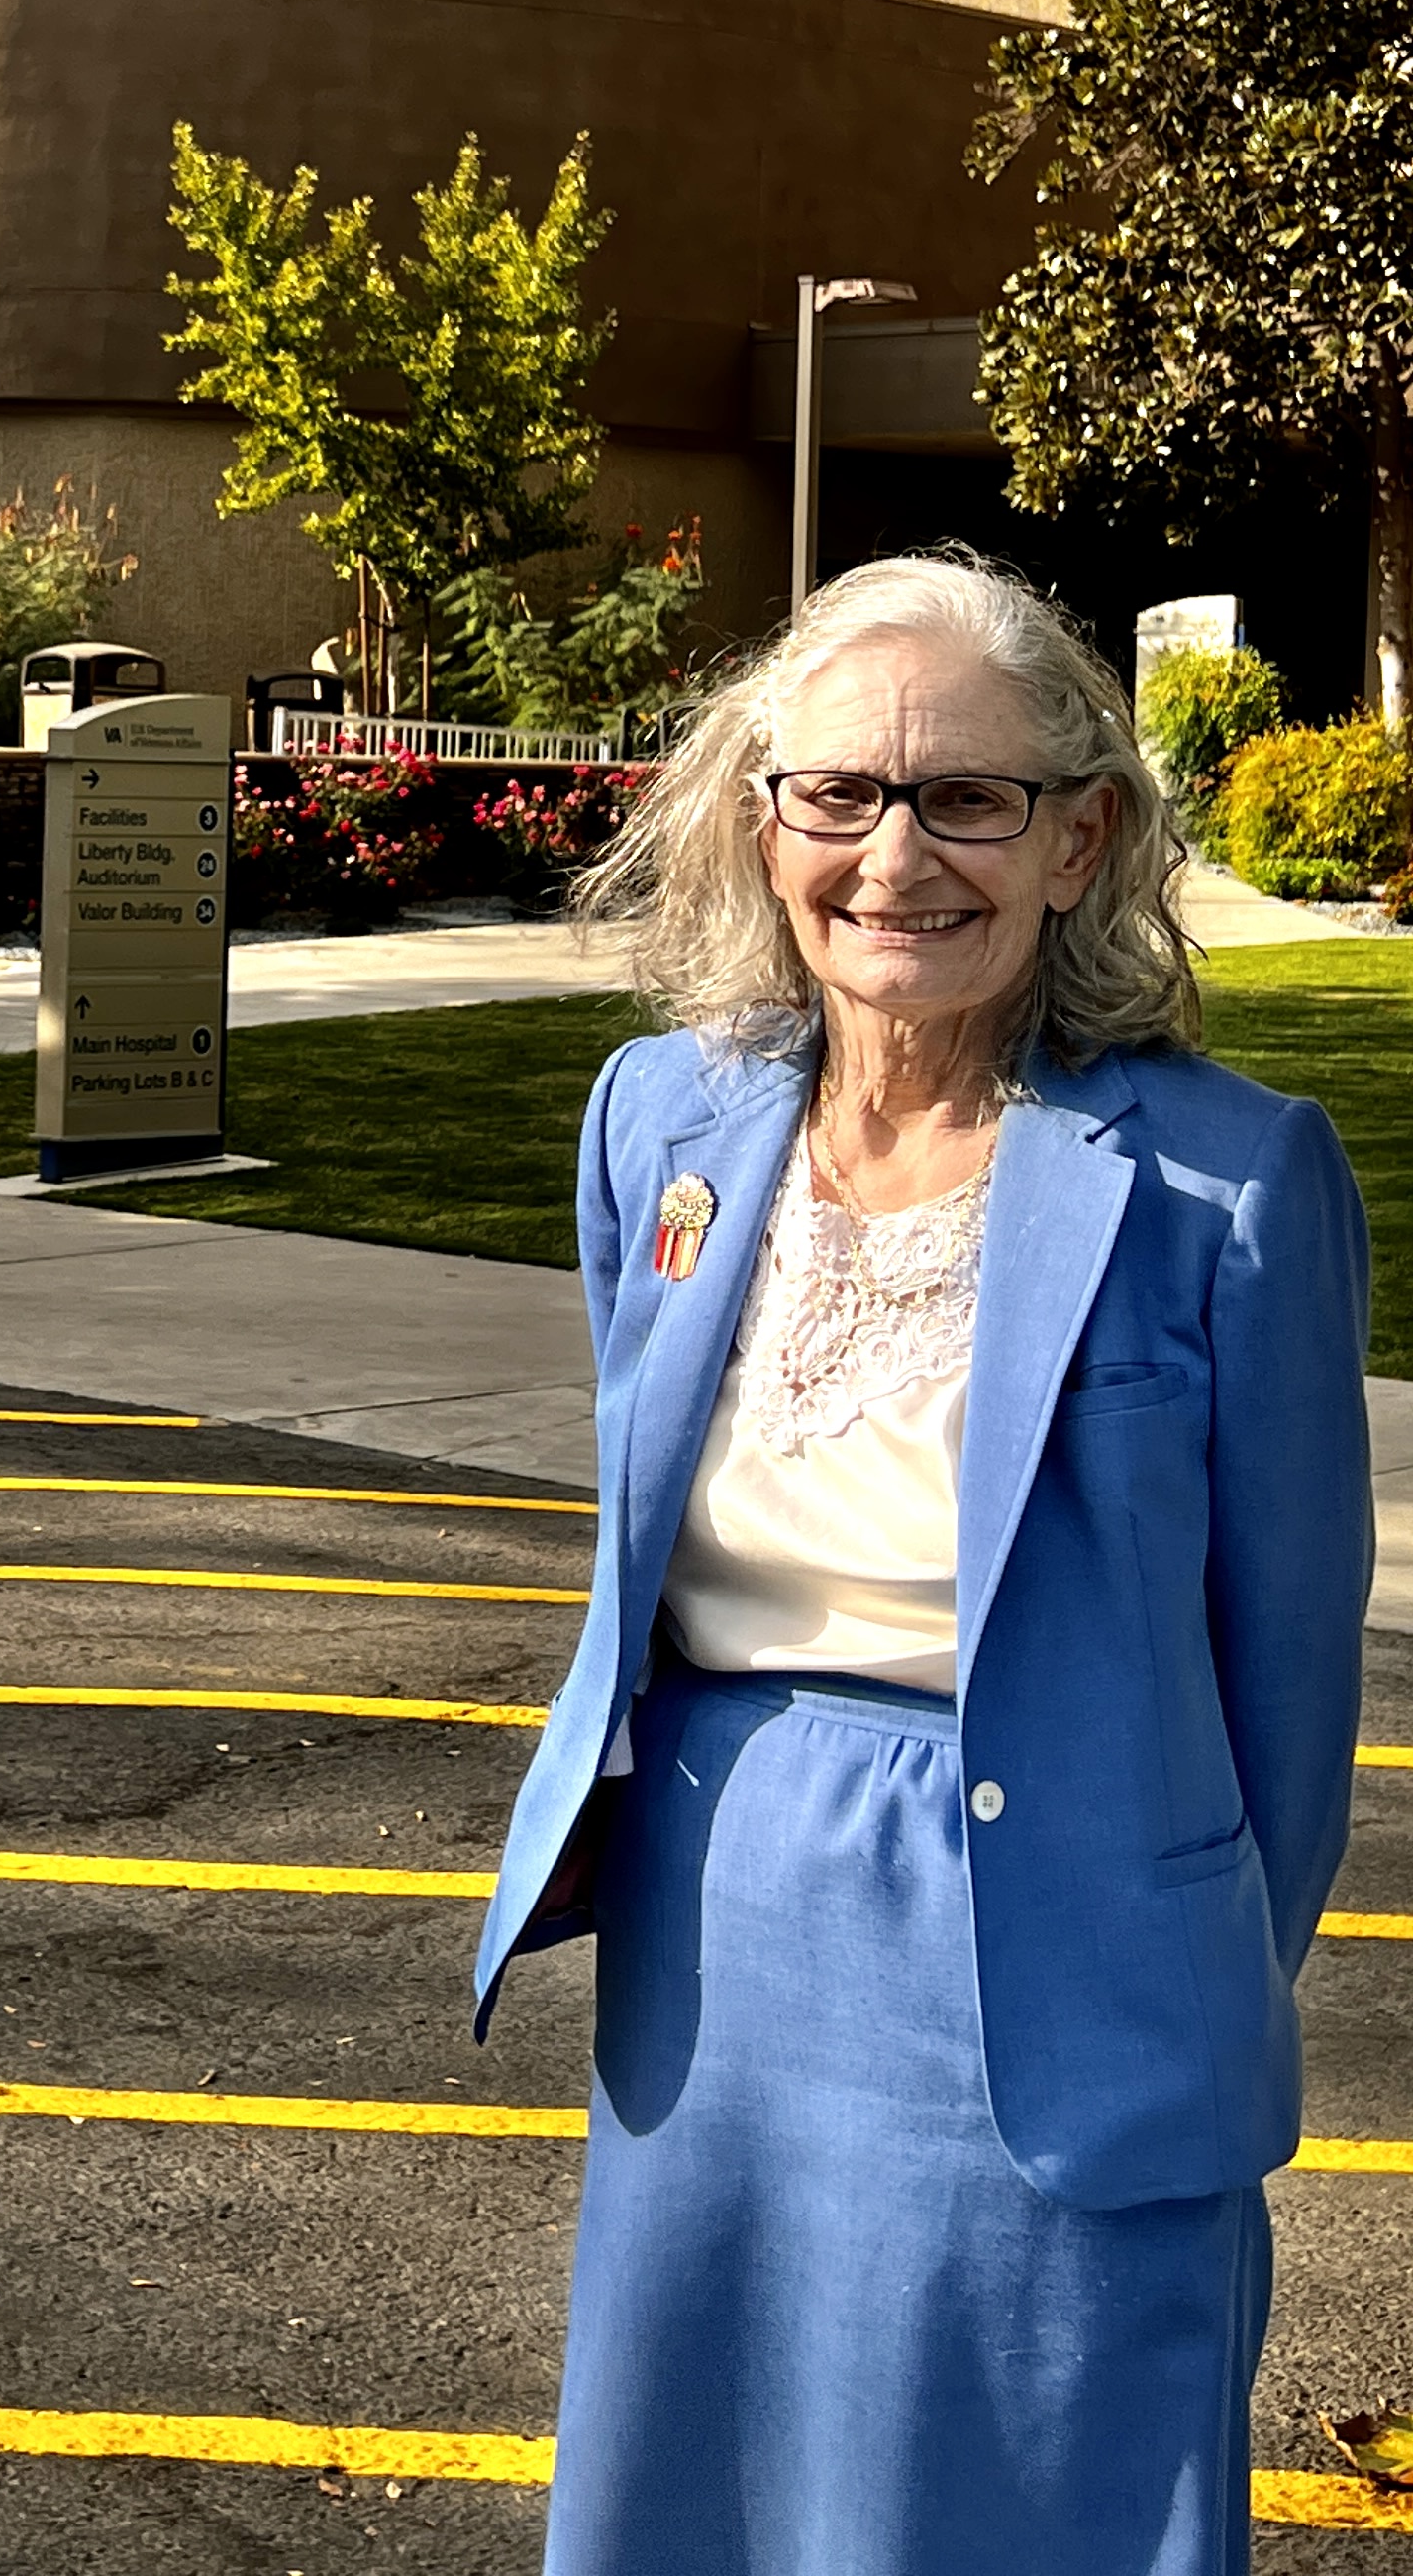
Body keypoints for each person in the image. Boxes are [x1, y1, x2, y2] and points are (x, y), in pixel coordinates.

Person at [475, 552, 1371, 2576]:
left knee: (1047, 2483)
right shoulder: (661, 1122)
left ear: (1083, 838)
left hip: (1053, 1958)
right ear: (761, 816)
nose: (898, 858)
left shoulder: (1232, 1186)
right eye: (842, 797)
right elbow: (644, 1548)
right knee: (711, 2480)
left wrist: (1161, 1978)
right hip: (723, 1938)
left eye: (969, 800)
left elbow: (1290, 1705)